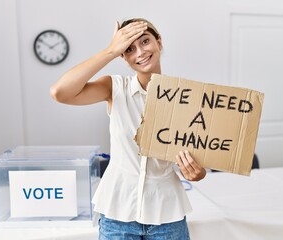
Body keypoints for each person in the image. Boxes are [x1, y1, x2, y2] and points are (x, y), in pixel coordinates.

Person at [50, 18, 207, 240]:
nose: (140, 52)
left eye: (145, 42)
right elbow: (60, 92)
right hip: (118, 215)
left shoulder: (184, 98)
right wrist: (110, 50)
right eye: (129, 49)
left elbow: (193, 155)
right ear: (123, 57)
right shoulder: (114, 88)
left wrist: (197, 173)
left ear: (159, 42)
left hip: (167, 215)